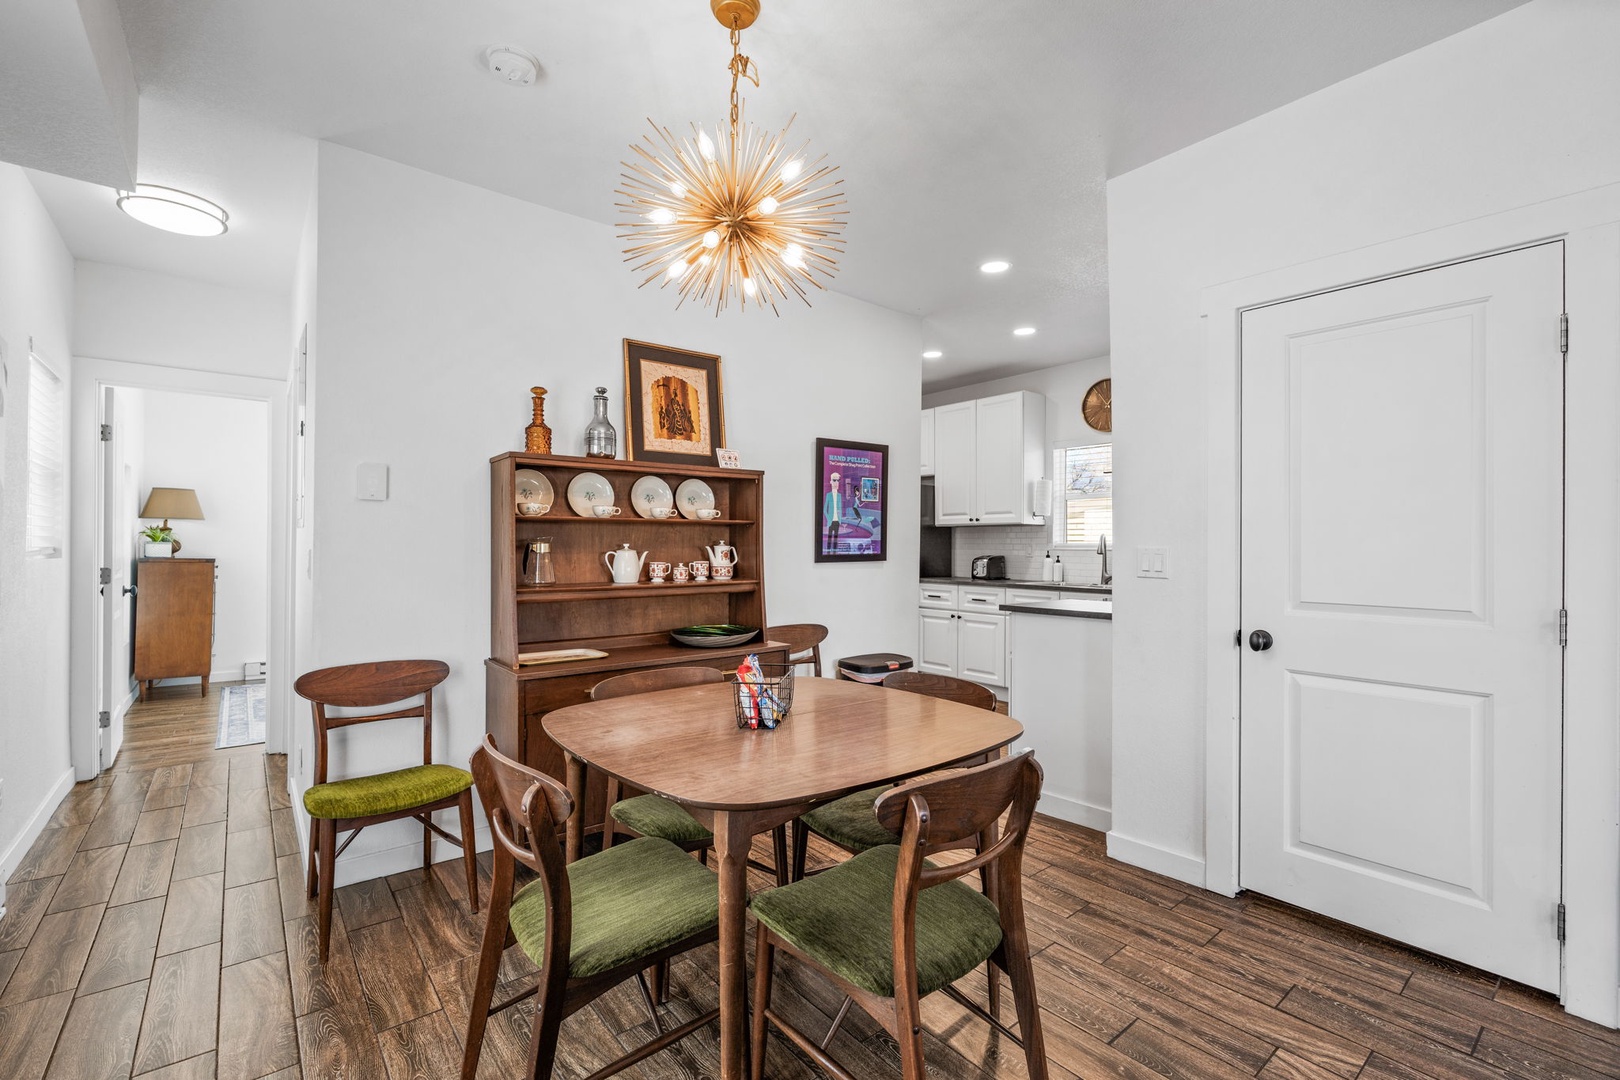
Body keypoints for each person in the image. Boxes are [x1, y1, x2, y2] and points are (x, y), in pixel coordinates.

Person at [822, 472, 842, 553]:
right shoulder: (828, 495)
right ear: (830, 481)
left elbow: (840, 508)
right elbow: (824, 509)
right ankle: (828, 552)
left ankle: (835, 552)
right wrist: (829, 519)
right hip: (831, 521)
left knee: (836, 537)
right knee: (830, 537)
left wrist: (840, 519)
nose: (836, 483)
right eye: (834, 480)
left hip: (837, 521)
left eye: (838, 480)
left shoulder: (839, 495)